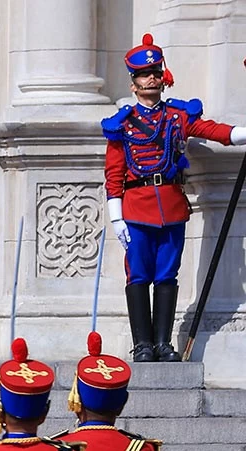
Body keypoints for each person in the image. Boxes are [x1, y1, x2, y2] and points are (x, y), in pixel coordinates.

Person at [105, 34, 246, 362]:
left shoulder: (177, 118)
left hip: (171, 206)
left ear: (163, 77)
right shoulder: (122, 126)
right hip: (136, 208)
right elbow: (113, 174)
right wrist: (116, 216)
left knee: (167, 274)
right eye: (144, 73)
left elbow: (215, 132)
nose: (151, 77)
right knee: (139, 274)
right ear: (134, 83)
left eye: (155, 71)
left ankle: (163, 343)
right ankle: (142, 344)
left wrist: (241, 133)